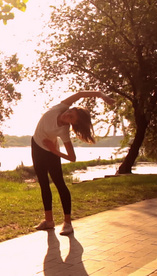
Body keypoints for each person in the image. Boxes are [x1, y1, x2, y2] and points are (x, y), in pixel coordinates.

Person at [32, 91, 114, 235]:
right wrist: (101, 95)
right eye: (70, 111)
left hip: (51, 152)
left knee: (60, 184)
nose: (67, 114)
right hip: (36, 145)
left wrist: (53, 150)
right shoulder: (59, 108)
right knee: (44, 184)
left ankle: (67, 223)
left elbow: (72, 158)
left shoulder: (64, 131)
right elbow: (80, 94)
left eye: (71, 117)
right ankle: (49, 221)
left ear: (73, 123)